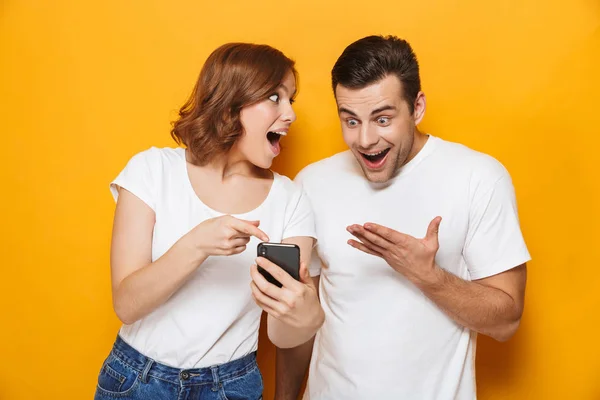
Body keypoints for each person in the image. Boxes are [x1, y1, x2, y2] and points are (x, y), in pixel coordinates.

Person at [275, 35, 530, 399]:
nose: (365, 139)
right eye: (350, 120)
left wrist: (429, 277)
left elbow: (507, 319)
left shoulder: (478, 178)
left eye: (382, 118)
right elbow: (300, 323)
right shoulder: (312, 184)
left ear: (418, 107)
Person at [94, 42, 324, 400]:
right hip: (136, 379)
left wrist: (308, 316)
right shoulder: (152, 171)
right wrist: (197, 244)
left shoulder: (291, 199)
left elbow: (281, 334)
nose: (290, 114)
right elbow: (127, 305)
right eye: (276, 98)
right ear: (232, 102)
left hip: (231, 387)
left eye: (291, 99)